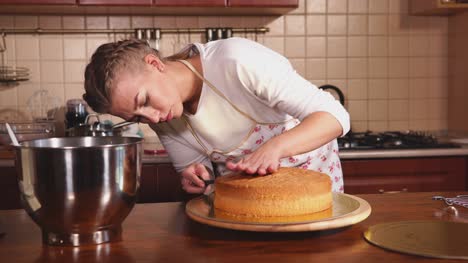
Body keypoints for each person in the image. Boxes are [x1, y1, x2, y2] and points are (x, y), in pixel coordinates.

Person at [83, 37, 350, 195]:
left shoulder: (237, 60)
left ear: (155, 64)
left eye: (144, 101)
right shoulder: (164, 119)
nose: (151, 119)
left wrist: (274, 148)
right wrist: (195, 177)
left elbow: (334, 116)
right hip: (245, 212)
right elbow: (199, 172)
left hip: (312, 194)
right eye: (138, 118)